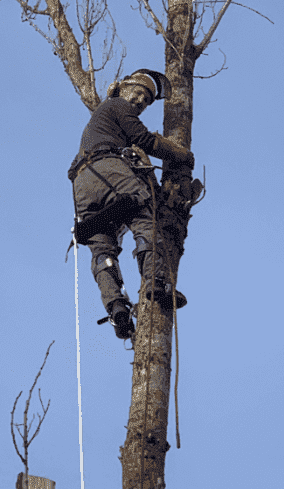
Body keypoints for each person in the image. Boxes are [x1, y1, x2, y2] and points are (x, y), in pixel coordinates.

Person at [67, 69, 194, 340]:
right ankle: (157, 282)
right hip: (107, 168)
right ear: (123, 89)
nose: (139, 101)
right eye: (137, 93)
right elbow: (144, 139)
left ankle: (117, 310)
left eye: (145, 101)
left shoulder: (97, 124)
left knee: (102, 246)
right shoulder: (116, 105)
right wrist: (181, 154)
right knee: (145, 213)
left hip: (82, 184)